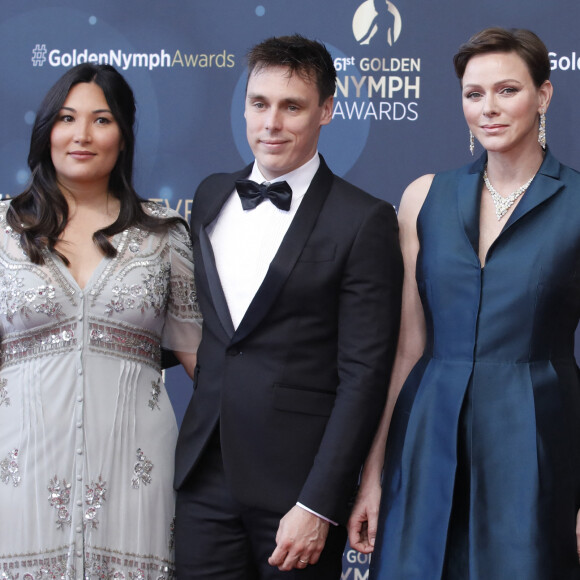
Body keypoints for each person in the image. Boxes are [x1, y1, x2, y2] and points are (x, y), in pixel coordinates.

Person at [347, 26, 580, 579]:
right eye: (474, 95)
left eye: (507, 90)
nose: (489, 109)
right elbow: (405, 351)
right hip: (426, 435)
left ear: (543, 95)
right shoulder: (424, 195)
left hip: (535, 439)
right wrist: (373, 474)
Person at [174, 34, 403, 579]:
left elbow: (364, 374)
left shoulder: (363, 219)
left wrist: (320, 501)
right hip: (204, 476)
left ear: (326, 110)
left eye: (291, 106)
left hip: (295, 491)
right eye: (259, 104)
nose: (271, 123)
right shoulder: (209, 196)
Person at [0, 63, 201, 579]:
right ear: (47, 130)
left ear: (124, 134)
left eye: (101, 119)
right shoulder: (2, 231)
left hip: (138, 478)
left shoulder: (164, 235)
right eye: (66, 118)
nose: (81, 135)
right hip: (18, 477)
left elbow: (209, 366)